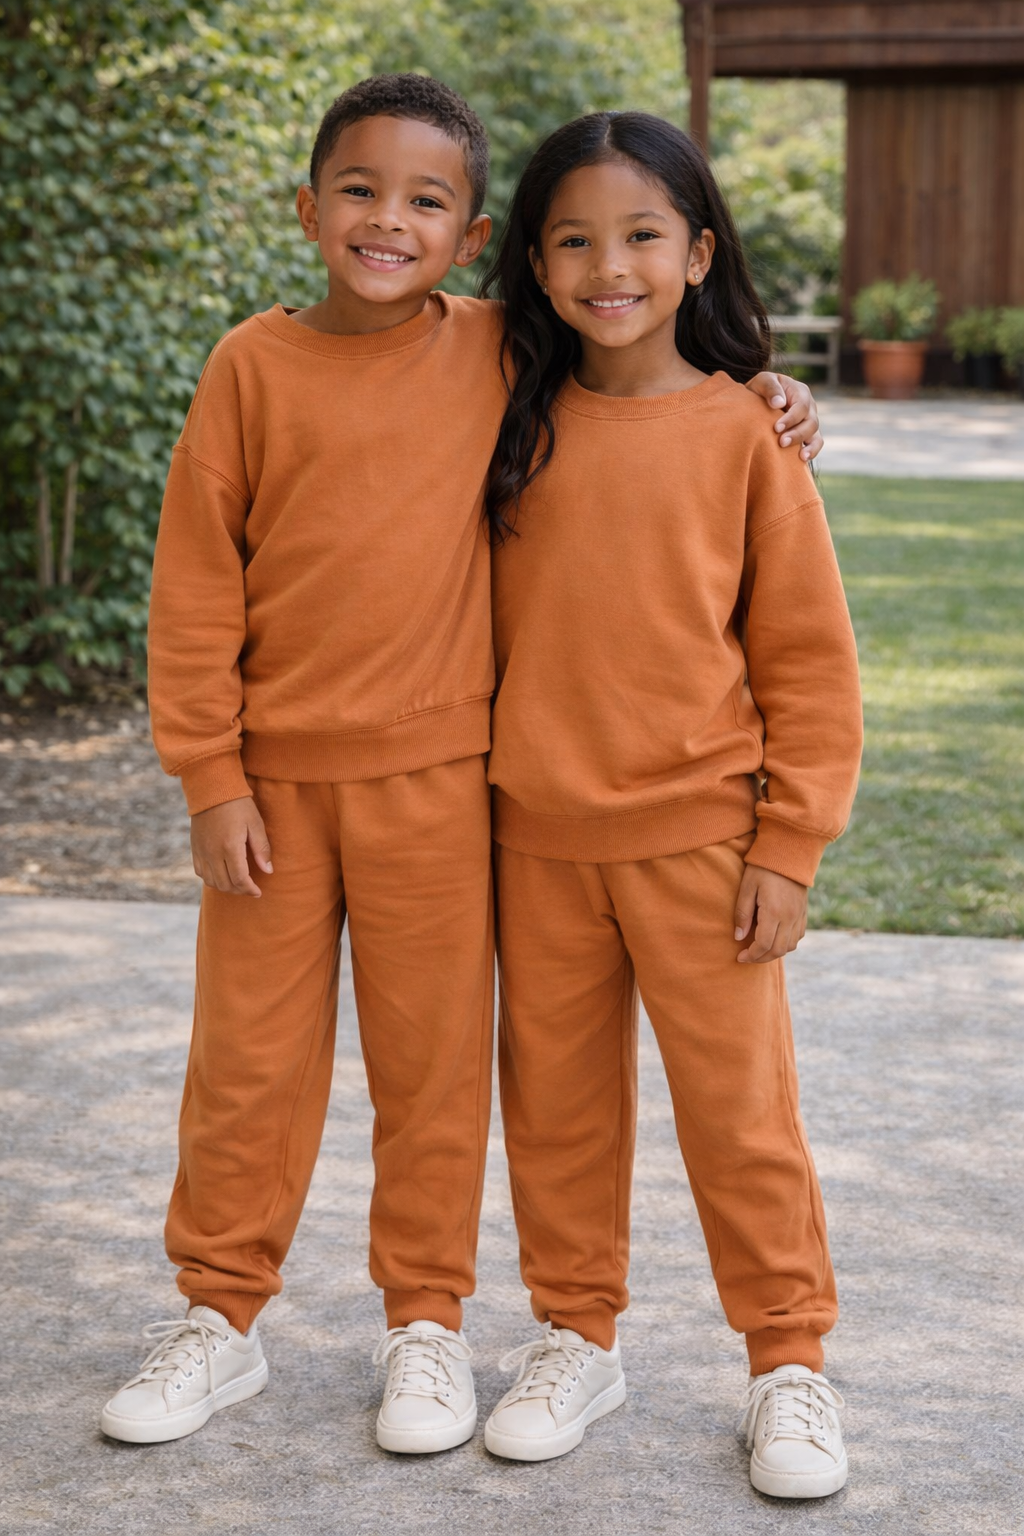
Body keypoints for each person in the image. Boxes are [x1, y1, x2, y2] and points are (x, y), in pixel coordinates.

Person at [98, 77, 825, 1454]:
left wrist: (771, 397)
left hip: (446, 786)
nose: (388, 222)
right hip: (273, 792)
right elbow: (195, 590)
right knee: (248, 1063)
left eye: (427, 202)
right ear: (306, 207)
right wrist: (209, 774)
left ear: (470, 231)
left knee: (432, 1072)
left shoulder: (505, 350)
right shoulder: (250, 366)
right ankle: (218, 1318)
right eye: (359, 192)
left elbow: (642, 369)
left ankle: (425, 1326)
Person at [479, 111, 862, 1499]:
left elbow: (809, 661)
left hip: (703, 843)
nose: (609, 263)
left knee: (739, 1116)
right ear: (532, 257)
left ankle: (787, 1363)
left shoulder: (745, 433)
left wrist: (793, 842)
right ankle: (577, 1336)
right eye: (573, 238)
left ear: (698, 254)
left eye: (642, 234)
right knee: (560, 1112)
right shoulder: (502, 411)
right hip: (537, 840)